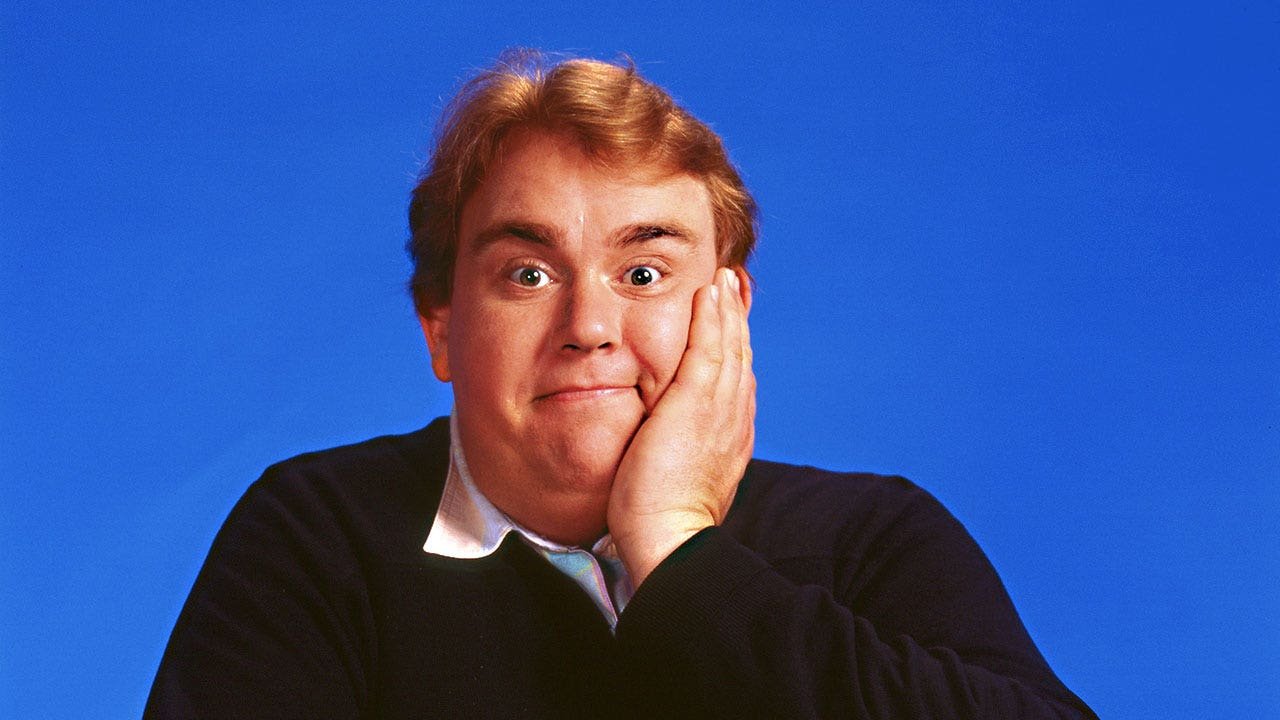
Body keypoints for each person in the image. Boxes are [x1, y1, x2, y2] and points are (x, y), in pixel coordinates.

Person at [145, 50, 1096, 719]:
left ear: (727, 309)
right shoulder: (316, 536)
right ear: (441, 326)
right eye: (528, 274)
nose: (588, 327)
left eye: (643, 273)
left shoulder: (870, 540)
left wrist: (678, 547)